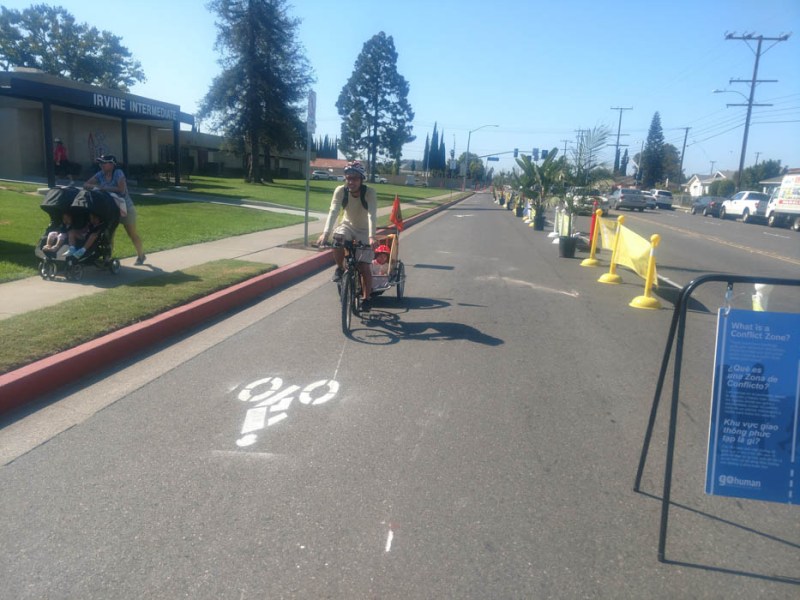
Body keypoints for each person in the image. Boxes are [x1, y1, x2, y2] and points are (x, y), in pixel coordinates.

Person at [316, 160, 378, 311]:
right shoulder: (340, 191)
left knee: (364, 267)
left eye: (355, 178)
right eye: (348, 178)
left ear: (362, 179)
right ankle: (340, 268)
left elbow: (371, 215)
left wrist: (372, 236)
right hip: (347, 226)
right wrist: (325, 233)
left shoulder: (369, 192)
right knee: (337, 239)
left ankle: (366, 298)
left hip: (364, 230)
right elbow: (333, 211)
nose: (351, 181)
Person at [83, 155, 146, 265]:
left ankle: (141, 255)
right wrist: (95, 188)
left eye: (104, 163)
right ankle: (107, 259)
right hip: (109, 209)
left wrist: (103, 188)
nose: (101, 165)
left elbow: (121, 190)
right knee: (108, 233)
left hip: (124, 208)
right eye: (100, 163)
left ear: (112, 164)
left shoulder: (118, 173)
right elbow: (86, 184)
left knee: (132, 233)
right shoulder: (100, 174)